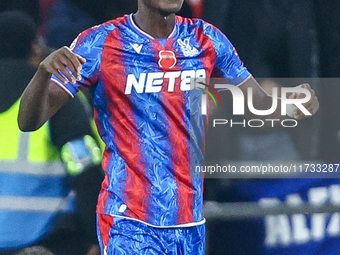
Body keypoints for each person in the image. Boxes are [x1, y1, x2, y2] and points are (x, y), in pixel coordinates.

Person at [17, 0, 319, 254]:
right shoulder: (100, 43)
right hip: (128, 222)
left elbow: (259, 103)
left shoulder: (206, 39)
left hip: (189, 222)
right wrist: (42, 75)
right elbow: (29, 121)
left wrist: (294, 105)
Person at [0, 10, 102, 255]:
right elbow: (85, 167)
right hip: (46, 242)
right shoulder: (52, 96)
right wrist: (95, 235)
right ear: (35, 50)